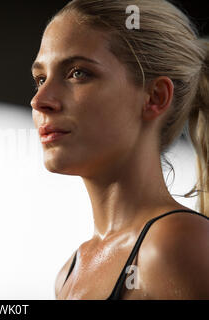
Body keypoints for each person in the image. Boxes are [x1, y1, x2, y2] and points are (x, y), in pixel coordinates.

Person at [30, 0, 209, 299]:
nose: (39, 100)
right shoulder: (68, 274)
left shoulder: (175, 244)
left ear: (155, 97)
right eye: (40, 79)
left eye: (78, 73)